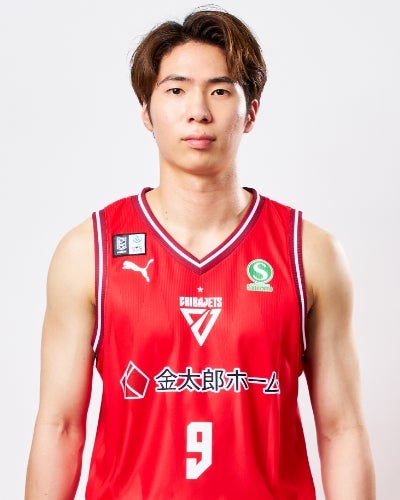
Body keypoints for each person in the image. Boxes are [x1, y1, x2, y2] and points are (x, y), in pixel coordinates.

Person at [25, 7, 376, 499]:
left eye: (220, 90)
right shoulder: (89, 251)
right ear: (146, 111)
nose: (198, 111)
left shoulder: (309, 253)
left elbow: (342, 429)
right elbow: (60, 426)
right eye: (175, 90)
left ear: (251, 112)